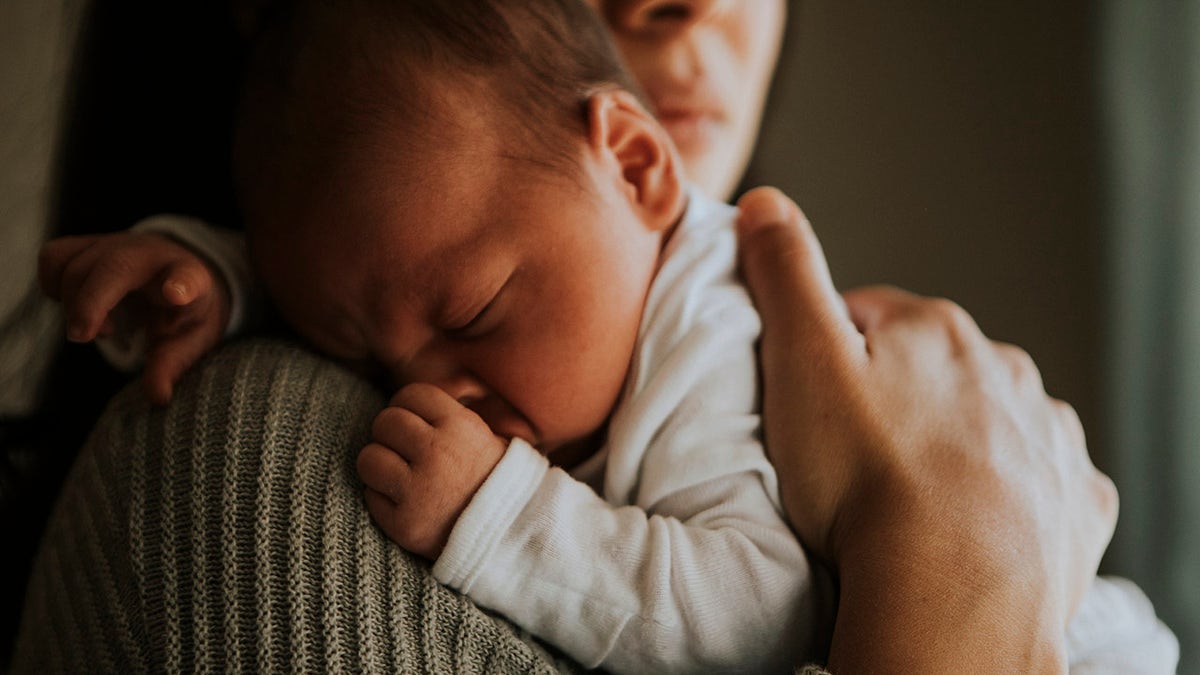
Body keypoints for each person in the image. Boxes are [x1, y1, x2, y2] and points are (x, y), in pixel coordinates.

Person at [14, 0, 1172, 672]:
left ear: (631, 162)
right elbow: (385, 273)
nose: (432, 399)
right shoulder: (248, 455)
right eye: (365, 367)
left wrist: (503, 516)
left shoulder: (708, 347)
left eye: (471, 319)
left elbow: (752, 610)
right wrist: (214, 276)